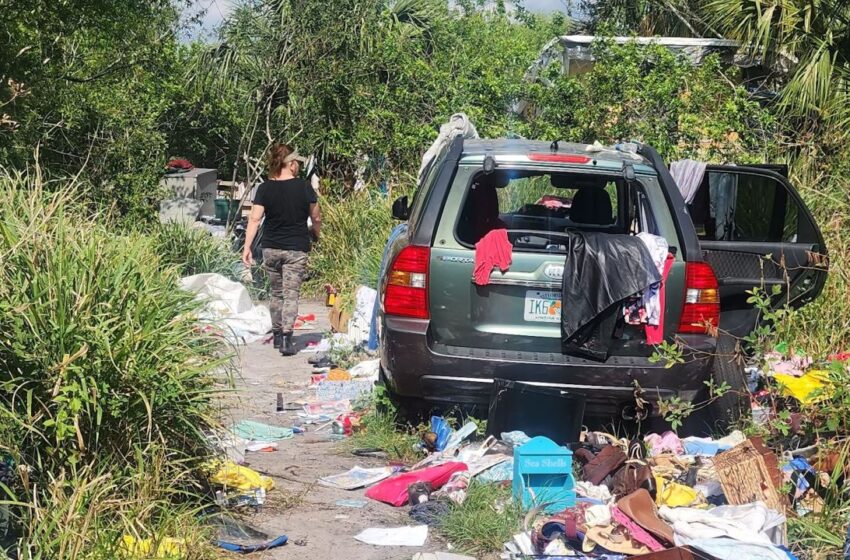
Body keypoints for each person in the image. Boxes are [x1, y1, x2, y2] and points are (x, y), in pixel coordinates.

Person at [242, 143, 321, 356]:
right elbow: (316, 216)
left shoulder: (265, 188)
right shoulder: (305, 187)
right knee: (291, 294)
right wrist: (317, 233)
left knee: (276, 293)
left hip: (271, 248)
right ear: (291, 164)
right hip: (296, 249)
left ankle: (277, 336)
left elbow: (255, 218)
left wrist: (247, 247)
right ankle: (287, 339)